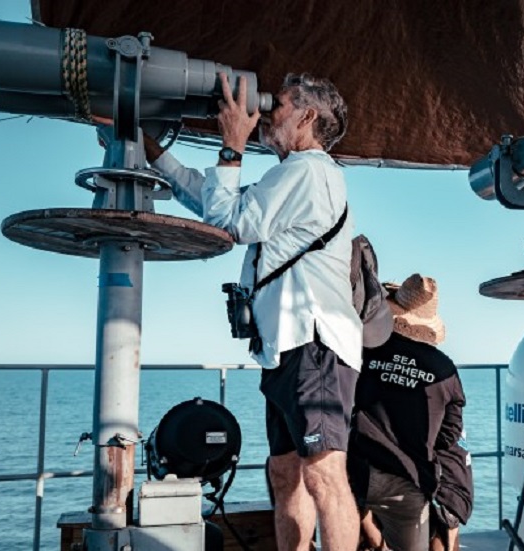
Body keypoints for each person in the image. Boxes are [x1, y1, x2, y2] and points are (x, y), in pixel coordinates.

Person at [148, 73, 362, 551]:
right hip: (285, 348)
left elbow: (233, 222)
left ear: (308, 117)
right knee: (285, 473)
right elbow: (214, 202)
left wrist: (232, 143)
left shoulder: (309, 170)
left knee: (325, 475)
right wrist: (154, 154)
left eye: (278, 105)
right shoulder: (289, 177)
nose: (267, 114)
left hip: (314, 343)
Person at [349, 274, 467, 551]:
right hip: (409, 480)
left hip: (355, 472)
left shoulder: (363, 352)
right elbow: (448, 436)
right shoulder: (444, 370)